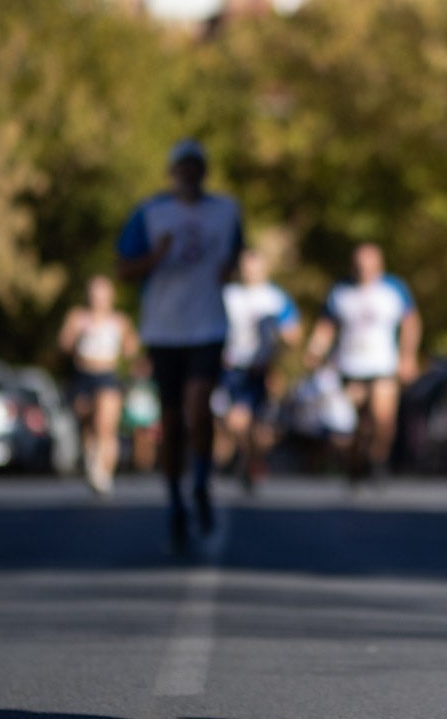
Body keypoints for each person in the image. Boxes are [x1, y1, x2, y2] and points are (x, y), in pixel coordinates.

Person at [116, 139, 244, 553]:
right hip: (163, 330)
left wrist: (230, 270)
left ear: (204, 171)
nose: (189, 174)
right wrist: (157, 256)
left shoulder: (226, 211)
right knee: (170, 423)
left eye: (196, 166)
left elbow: (235, 258)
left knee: (199, 403)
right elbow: (124, 269)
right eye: (182, 167)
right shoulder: (150, 212)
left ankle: (202, 484)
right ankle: (175, 500)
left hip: (207, 325)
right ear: (172, 172)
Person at [304, 242, 420, 482]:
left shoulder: (394, 289)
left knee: (382, 418)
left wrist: (407, 357)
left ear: (379, 265)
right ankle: (355, 464)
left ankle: (378, 461)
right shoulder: (340, 291)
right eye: (359, 265)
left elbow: (411, 323)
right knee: (355, 426)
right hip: (349, 366)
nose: (364, 270)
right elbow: (326, 326)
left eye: (369, 265)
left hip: (382, 366)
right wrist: (315, 351)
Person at [219, 249, 301, 489]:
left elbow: (292, 333)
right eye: (245, 265)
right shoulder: (228, 295)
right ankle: (246, 460)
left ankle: (252, 462)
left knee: (259, 427)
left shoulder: (275, 298)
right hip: (233, 367)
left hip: (261, 367)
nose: (249, 270)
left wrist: (280, 348)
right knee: (234, 421)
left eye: (253, 265)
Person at [57, 275, 139, 495]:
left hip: (107, 375)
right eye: (94, 294)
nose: (97, 299)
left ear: (110, 296)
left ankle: (104, 473)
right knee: (86, 423)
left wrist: (128, 352)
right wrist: (76, 334)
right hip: (83, 374)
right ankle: (92, 460)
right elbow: (63, 344)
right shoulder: (78, 317)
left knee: (105, 424)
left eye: (102, 294)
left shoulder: (119, 321)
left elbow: (131, 348)